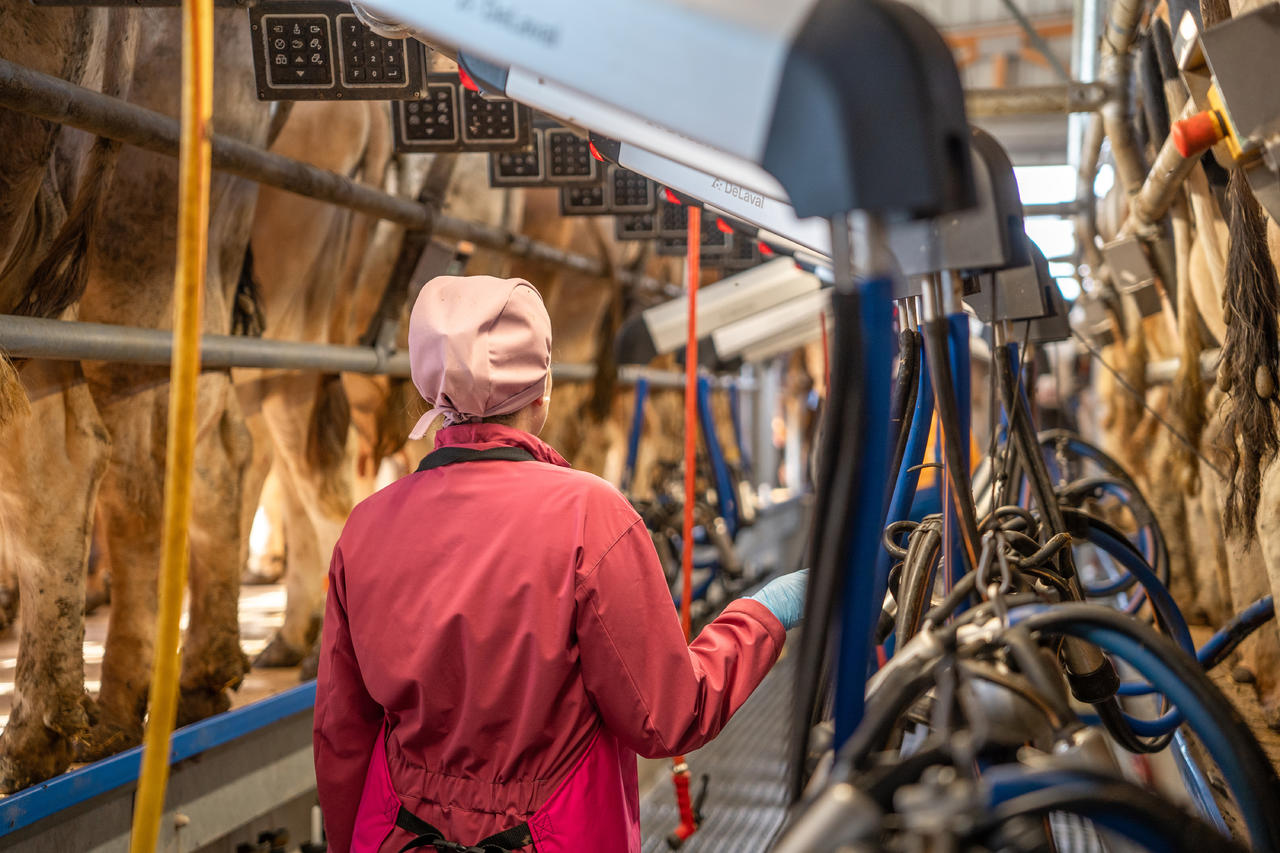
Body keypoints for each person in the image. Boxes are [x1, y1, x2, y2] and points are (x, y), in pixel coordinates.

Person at [314, 275, 808, 853]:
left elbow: (340, 735)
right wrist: (765, 612)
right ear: (543, 389)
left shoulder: (367, 526)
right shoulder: (592, 516)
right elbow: (669, 716)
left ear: (432, 391)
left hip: (396, 837)